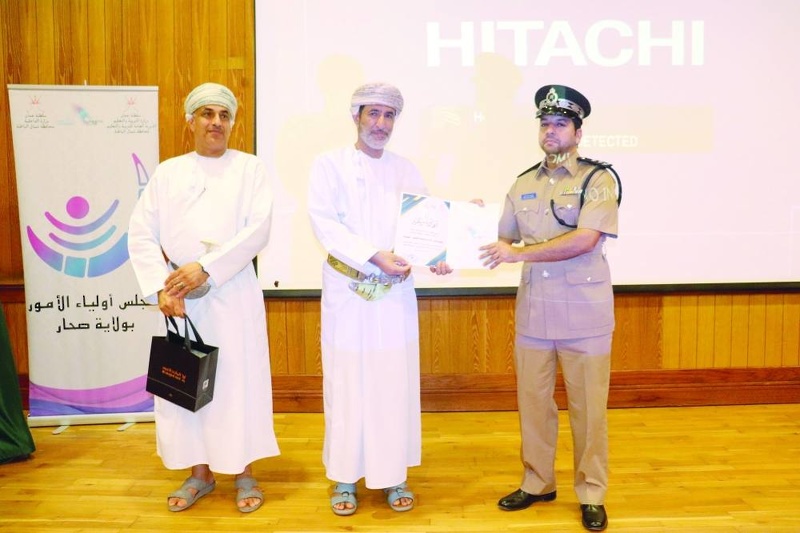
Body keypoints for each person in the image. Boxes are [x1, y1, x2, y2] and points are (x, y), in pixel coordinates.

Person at [128, 82, 280, 513]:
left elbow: (259, 229)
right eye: (207, 114)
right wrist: (161, 287)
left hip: (234, 291)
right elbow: (141, 233)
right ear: (190, 121)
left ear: (232, 123)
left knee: (237, 383)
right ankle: (200, 474)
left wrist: (207, 267)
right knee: (185, 382)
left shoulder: (250, 168)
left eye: (224, 115)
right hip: (180, 296)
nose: (216, 122)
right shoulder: (168, 172)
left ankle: (244, 472)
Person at [307, 82, 453, 516]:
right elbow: (325, 224)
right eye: (373, 113)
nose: (381, 124)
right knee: (347, 383)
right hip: (347, 292)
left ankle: (393, 475)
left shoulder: (406, 169)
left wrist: (443, 252)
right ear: (356, 116)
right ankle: (344, 477)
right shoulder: (328, 165)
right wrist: (373, 255)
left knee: (392, 382)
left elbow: (424, 228)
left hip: (393, 296)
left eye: (389, 116)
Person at [480, 84, 620, 532]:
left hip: (585, 313)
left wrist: (519, 253)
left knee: (588, 410)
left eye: (560, 124)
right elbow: (502, 239)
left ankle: (592, 492)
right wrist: (464, 227)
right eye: (545, 124)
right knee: (533, 405)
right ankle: (538, 482)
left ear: (578, 132)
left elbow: (586, 239)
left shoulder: (598, 180)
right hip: (535, 313)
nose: (551, 131)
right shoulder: (522, 183)